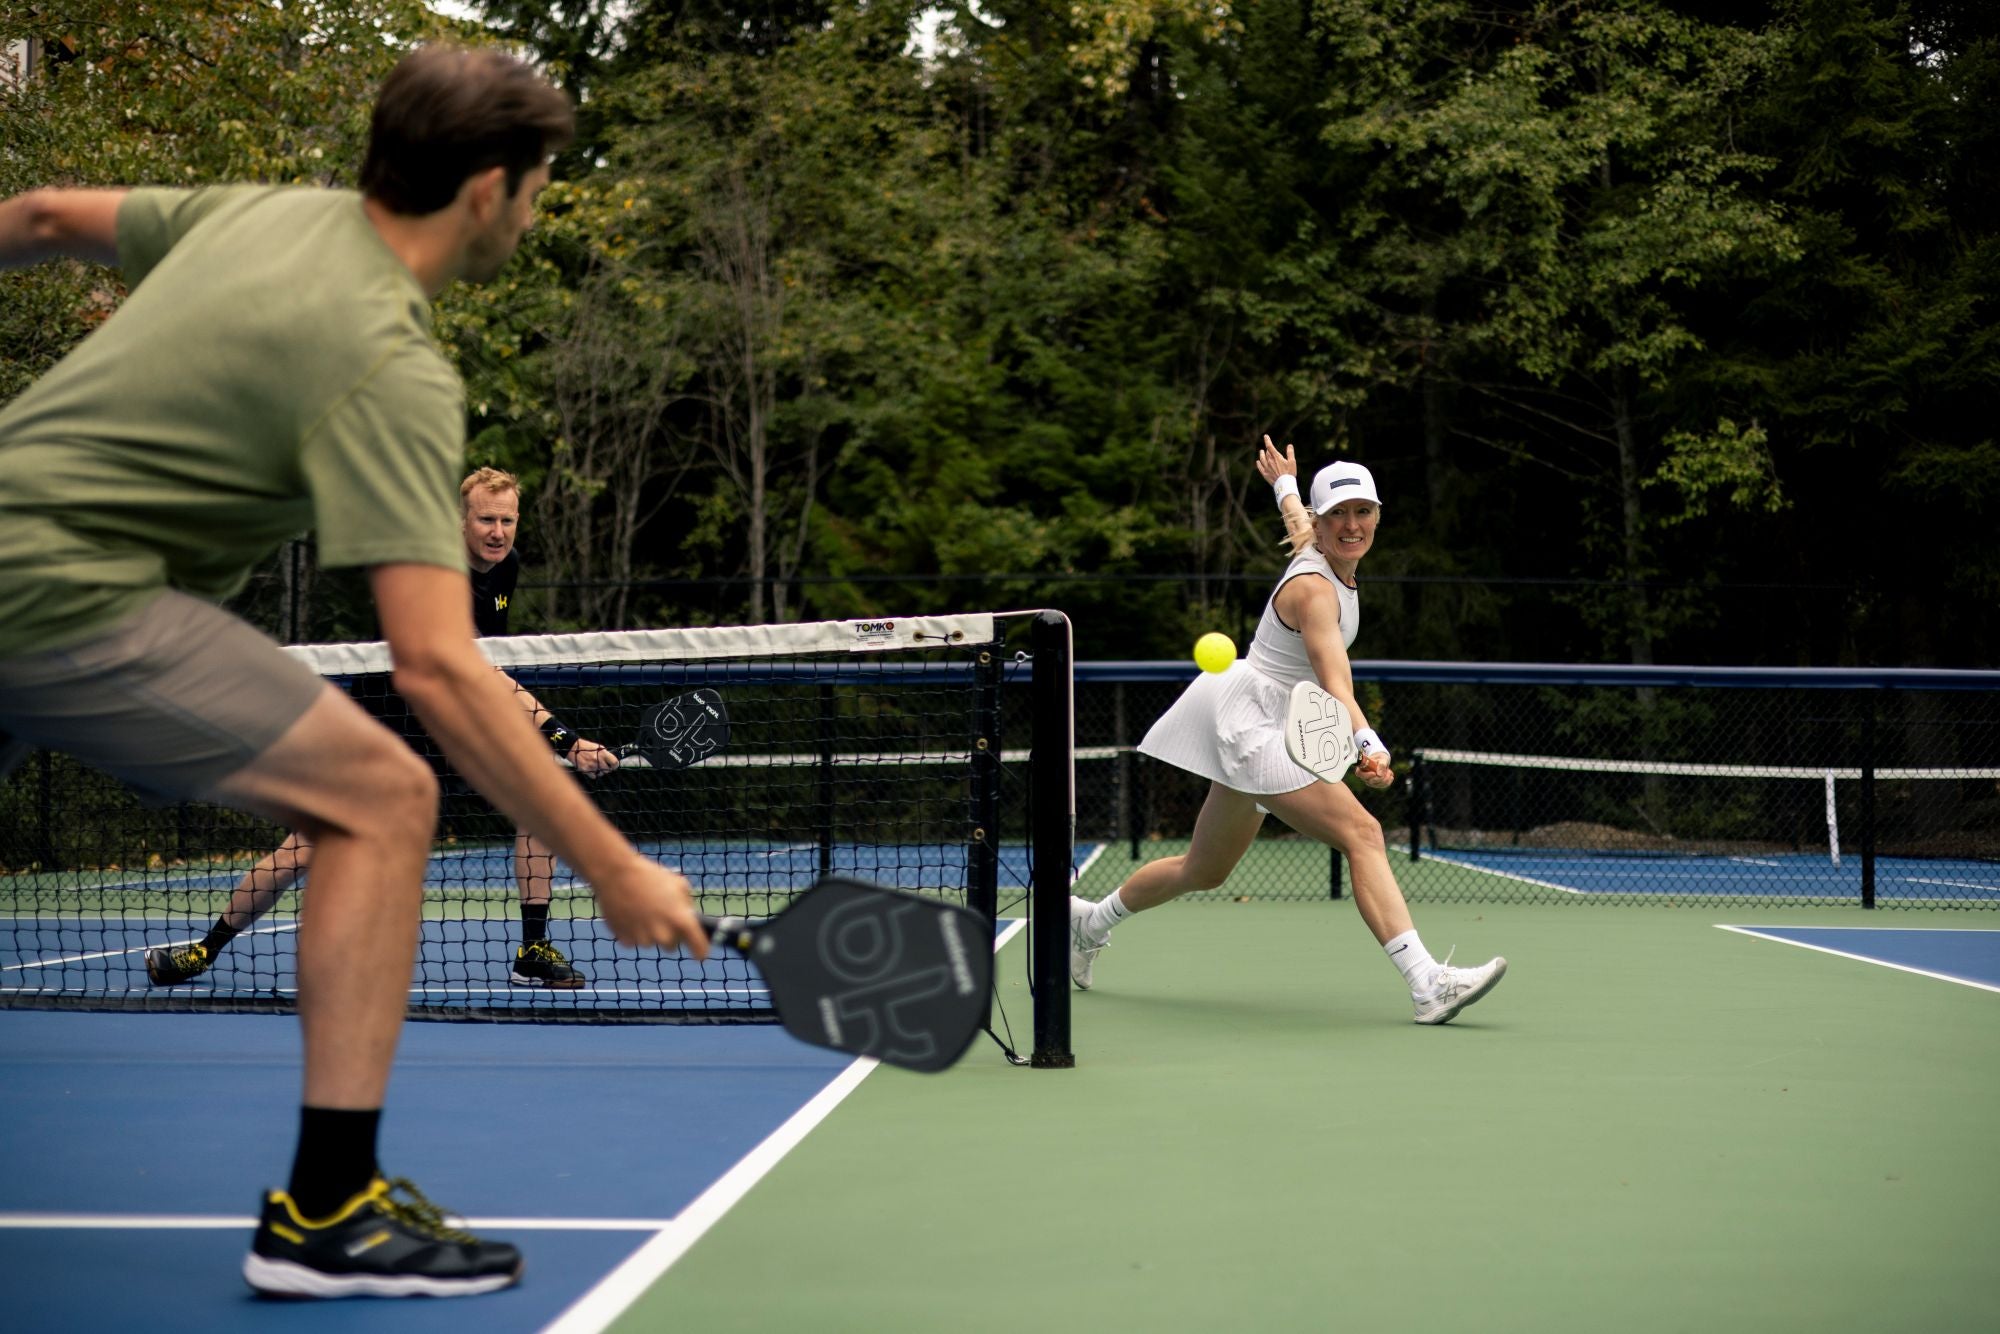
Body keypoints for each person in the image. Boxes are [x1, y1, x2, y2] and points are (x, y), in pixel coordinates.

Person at [0, 45, 708, 1299]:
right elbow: (436, 664)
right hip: (60, 594)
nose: (536, 209)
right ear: (487, 189)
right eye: (539, 184)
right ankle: (327, 1206)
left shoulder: (266, 213)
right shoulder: (390, 362)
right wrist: (611, 862)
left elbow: (46, 216)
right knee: (384, 794)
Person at [1069, 436, 1507, 1025]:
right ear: (1324, 526)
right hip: (1256, 727)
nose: (1351, 525)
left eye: (1363, 512)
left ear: (1378, 516)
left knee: (1205, 869)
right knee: (1365, 834)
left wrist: (1285, 487)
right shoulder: (1314, 590)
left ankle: (1088, 922)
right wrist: (1367, 744)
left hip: (1266, 716)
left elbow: (1299, 527)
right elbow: (1335, 681)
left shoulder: (1326, 550)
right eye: (1338, 516)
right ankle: (1428, 983)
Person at [144, 466, 617, 991]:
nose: (497, 532)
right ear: (459, 521)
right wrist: (565, 740)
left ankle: (531, 950)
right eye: (486, 519)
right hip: (385, 735)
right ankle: (203, 951)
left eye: (507, 520)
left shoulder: (506, 568)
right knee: (304, 848)